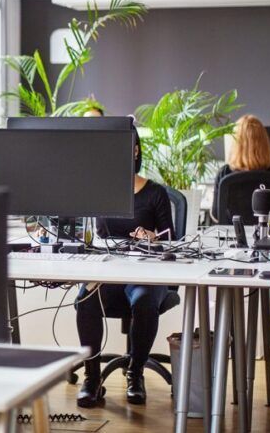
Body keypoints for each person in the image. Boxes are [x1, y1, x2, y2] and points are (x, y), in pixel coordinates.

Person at [75, 131, 174, 408]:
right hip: (111, 271)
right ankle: (92, 378)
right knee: (86, 298)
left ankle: (135, 372)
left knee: (143, 301)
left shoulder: (156, 193)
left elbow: (172, 240)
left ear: (135, 151)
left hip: (147, 273)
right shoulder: (100, 191)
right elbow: (92, 234)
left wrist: (152, 237)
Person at [211, 115, 270, 218]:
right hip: (268, 233)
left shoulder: (224, 173)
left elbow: (216, 214)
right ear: (265, 142)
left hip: (233, 233)